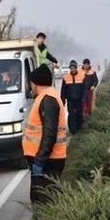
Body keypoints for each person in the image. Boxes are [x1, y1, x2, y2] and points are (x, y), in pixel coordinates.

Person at [22, 65, 68, 204]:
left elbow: (50, 133)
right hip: (47, 159)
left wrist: (39, 161)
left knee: (46, 200)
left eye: (31, 83)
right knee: (39, 197)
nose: (30, 86)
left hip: (48, 161)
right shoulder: (46, 97)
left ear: (35, 83)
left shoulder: (48, 100)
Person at [60, 60, 86, 134]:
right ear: (70, 69)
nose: (72, 69)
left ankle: (79, 128)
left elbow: (84, 88)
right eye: (71, 68)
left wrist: (83, 97)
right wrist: (63, 99)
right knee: (71, 114)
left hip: (79, 100)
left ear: (76, 68)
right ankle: (72, 130)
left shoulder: (82, 76)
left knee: (79, 114)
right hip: (70, 100)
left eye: (74, 68)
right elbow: (63, 90)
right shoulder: (65, 77)